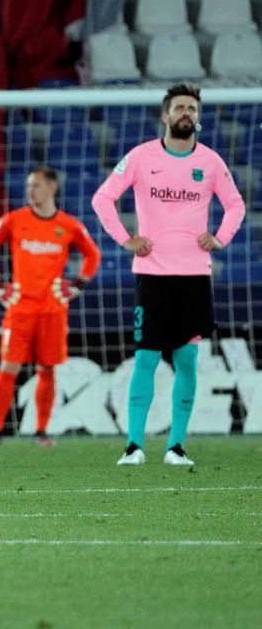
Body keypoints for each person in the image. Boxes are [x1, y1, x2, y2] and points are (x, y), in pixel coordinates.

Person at [92, 83, 245, 466]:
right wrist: (126, 239)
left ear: (198, 116)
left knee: (188, 362)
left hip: (194, 275)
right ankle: (133, 446)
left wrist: (221, 237)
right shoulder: (141, 157)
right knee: (145, 360)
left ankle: (176, 446)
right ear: (165, 115)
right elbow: (102, 198)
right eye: (180, 108)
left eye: (192, 108)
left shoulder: (210, 162)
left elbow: (236, 205)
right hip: (152, 273)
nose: (186, 114)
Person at [0, 165, 100, 446]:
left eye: (36, 185)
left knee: (47, 369)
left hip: (53, 311)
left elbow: (92, 255)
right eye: (29, 186)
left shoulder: (69, 226)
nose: (30, 191)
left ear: (52, 188)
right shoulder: (13, 220)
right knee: (9, 367)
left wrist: (78, 285)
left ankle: (41, 432)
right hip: (20, 309)